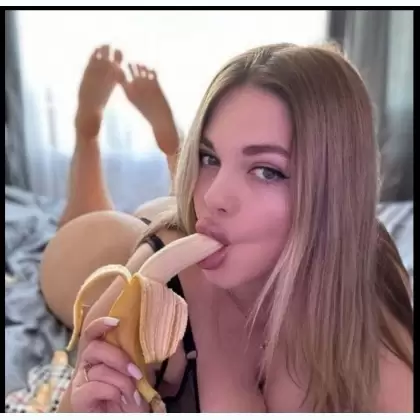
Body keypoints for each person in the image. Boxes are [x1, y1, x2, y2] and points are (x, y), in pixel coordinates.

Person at [40, 43, 413, 413]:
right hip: (125, 241)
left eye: (267, 171)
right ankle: (88, 132)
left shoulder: (369, 276)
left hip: (211, 229)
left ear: (336, 196)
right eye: (208, 157)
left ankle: (176, 147)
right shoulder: (151, 294)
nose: (213, 194)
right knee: (79, 226)